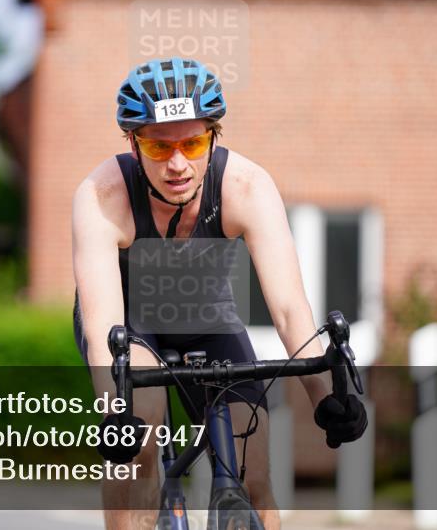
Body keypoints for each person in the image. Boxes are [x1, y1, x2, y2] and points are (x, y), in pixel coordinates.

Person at [71, 57, 367, 529]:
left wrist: (324, 396)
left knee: (253, 467)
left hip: (206, 317)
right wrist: (116, 408)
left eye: (192, 143)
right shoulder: (102, 195)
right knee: (140, 440)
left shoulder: (247, 187)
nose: (176, 164)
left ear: (214, 135)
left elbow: (291, 310)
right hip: (130, 325)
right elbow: (106, 326)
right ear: (132, 142)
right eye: (156, 145)